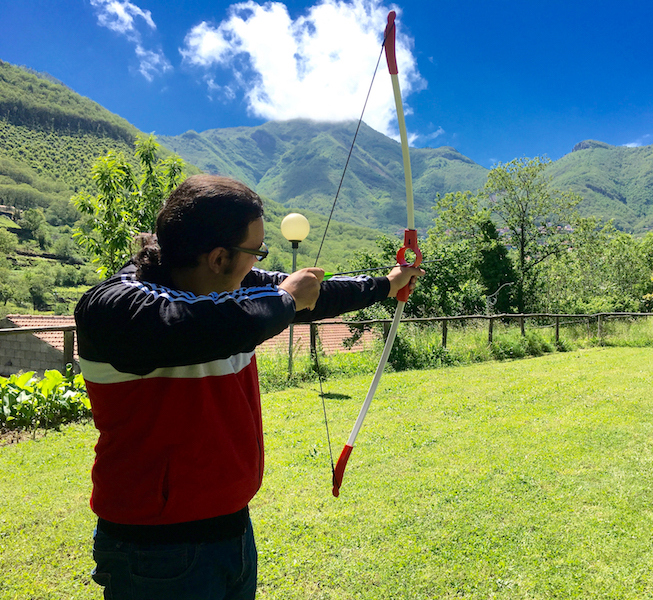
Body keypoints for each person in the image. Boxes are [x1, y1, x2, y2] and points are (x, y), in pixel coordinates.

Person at [74, 174, 423, 600]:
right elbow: (209, 324)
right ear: (219, 257)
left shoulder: (235, 289)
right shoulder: (116, 306)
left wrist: (387, 284)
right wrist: (286, 300)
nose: (257, 264)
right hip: (155, 548)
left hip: (232, 529)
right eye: (255, 252)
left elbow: (312, 294)